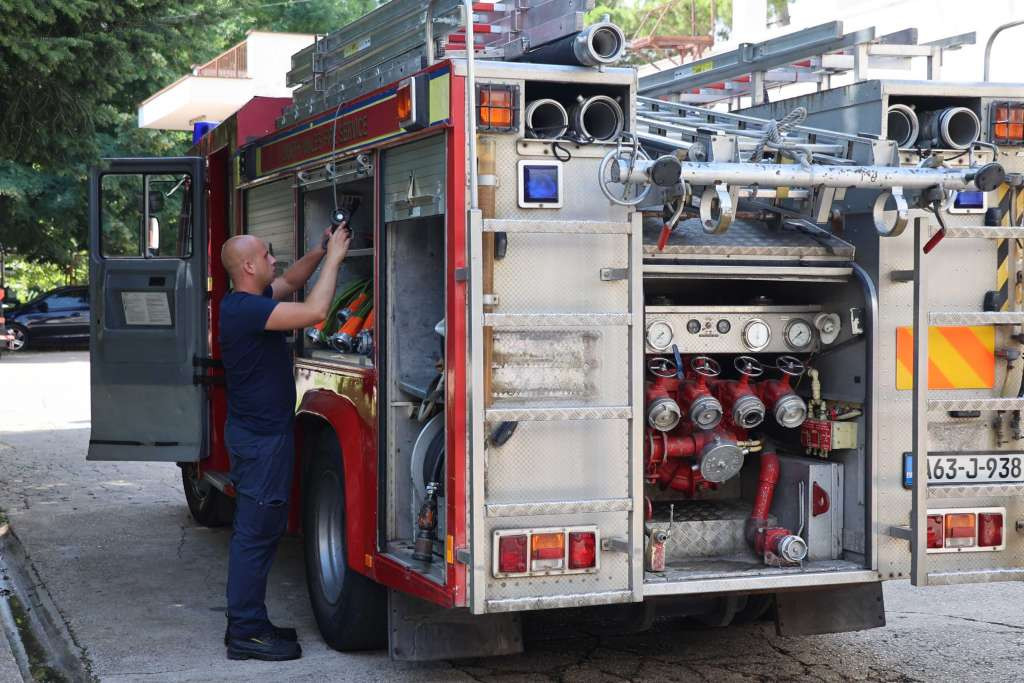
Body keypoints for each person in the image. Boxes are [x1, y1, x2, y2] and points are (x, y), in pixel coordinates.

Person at [218, 224, 351, 661]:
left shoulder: (249, 302)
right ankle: (246, 632)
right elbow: (314, 312)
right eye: (268, 255)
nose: (274, 259)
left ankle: (249, 623)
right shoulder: (245, 311)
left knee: (260, 531)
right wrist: (334, 260)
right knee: (255, 536)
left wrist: (318, 251)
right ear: (249, 266)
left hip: (259, 437)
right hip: (260, 442)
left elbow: (293, 282)